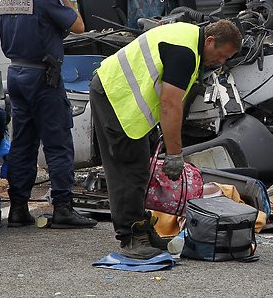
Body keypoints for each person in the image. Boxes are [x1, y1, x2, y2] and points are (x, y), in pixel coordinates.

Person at [90, 19, 242, 259]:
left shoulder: (189, 39)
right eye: (221, 55)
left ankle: (139, 226)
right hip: (115, 95)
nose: (221, 62)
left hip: (118, 93)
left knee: (139, 166)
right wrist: (174, 154)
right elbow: (170, 104)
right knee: (127, 167)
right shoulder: (185, 52)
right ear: (210, 41)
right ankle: (130, 236)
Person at [0, 0, 96, 228]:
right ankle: (63, 209)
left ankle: (17, 208)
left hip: (16, 73)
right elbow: (78, 26)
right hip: (43, 78)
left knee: (23, 143)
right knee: (57, 142)